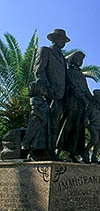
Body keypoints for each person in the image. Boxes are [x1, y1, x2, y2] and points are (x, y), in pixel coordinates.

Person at [33, 29, 70, 159]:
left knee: (55, 125)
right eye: (61, 39)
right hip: (47, 94)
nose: (63, 43)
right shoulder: (46, 51)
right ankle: (37, 151)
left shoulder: (62, 58)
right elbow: (39, 71)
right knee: (43, 123)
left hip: (60, 96)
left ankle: (50, 151)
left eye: (64, 41)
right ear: (54, 39)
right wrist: (46, 89)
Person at [57, 51, 92, 162]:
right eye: (79, 59)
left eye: (82, 60)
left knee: (78, 129)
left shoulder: (82, 76)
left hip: (81, 105)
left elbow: (87, 91)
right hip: (71, 103)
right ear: (73, 59)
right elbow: (74, 88)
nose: (80, 62)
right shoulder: (68, 72)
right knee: (66, 126)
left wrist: (94, 101)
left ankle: (72, 153)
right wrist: (85, 99)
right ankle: (57, 150)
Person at [21, 80, 51, 160]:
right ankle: (31, 154)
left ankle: (43, 152)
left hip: (44, 122)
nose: (45, 89)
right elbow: (35, 110)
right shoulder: (34, 99)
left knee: (43, 138)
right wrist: (42, 118)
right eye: (43, 88)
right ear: (37, 88)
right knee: (35, 137)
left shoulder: (44, 100)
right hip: (36, 121)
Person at [83, 89, 100, 164]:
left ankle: (94, 157)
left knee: (99, 143)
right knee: (94, 140)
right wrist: (86, 121)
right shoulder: (92, 106)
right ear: (97, 98)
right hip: (93, 125)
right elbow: (87, 115)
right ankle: (85, 152)